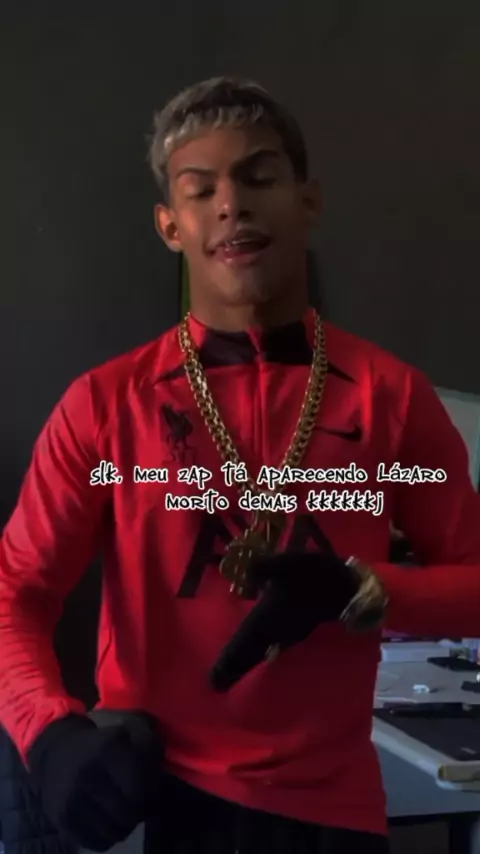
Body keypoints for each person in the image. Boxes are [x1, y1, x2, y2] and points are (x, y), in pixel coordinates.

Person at [0, 76, 479, 854]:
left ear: (308, 201)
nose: (232, 205)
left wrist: (364, 589)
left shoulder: (391, 397)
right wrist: (46, 732)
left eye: (259, 178)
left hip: (333, 813)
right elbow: (14, 590)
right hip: (157, 798)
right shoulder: (105, 405)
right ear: (170, 225)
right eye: (202, 190)